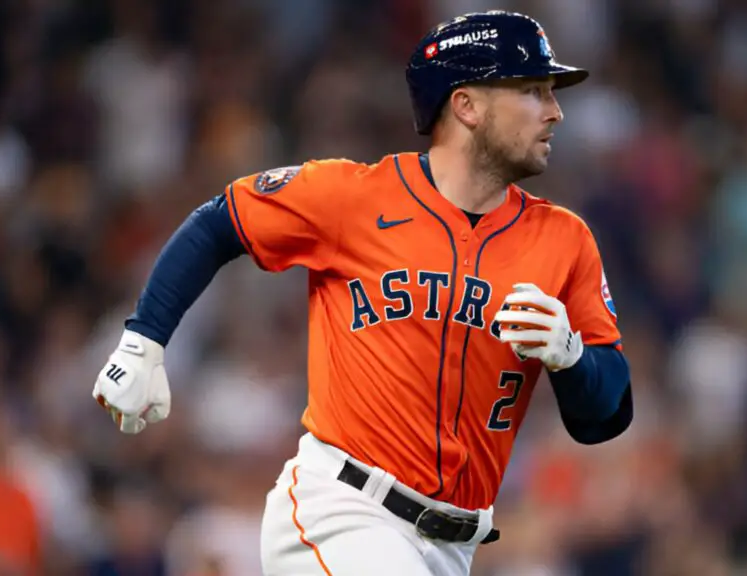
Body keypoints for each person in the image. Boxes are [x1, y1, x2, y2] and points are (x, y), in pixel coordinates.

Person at [92, 10, 633, 576]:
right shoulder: (353, 197)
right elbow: (217, 223)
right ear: (467, 105)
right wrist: (143, 342)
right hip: (343, 508)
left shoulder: (564, 239)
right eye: (532, 90)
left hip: (453, 546)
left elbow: (605, 417)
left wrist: (571, 358)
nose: (555, 111)